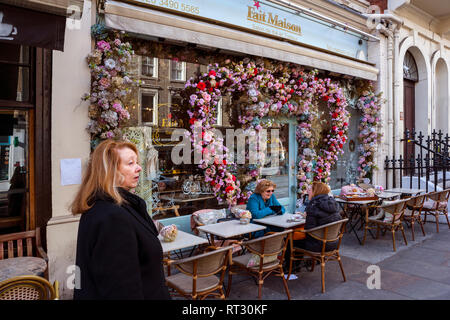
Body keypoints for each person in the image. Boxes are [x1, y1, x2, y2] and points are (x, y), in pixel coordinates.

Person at [71, 139, 170, 300]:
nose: (139, 168)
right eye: (130, 163)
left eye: (136, 162)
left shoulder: (109, 208)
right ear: (110, 171)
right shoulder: (112, 217)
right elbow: (121, 289)